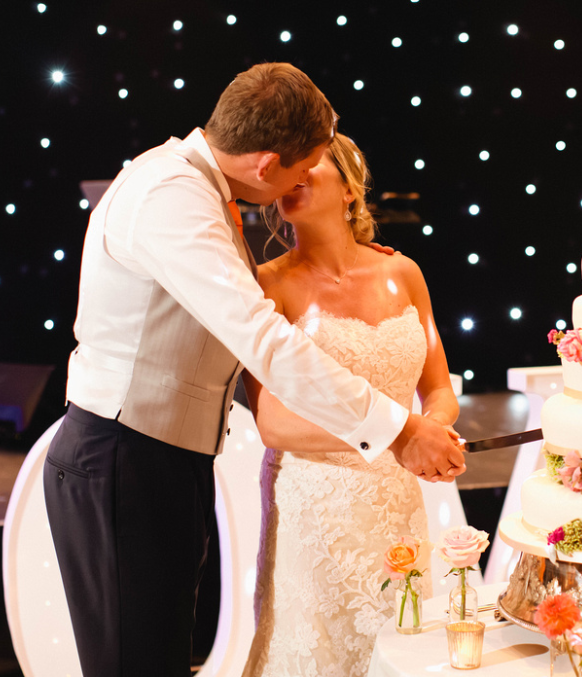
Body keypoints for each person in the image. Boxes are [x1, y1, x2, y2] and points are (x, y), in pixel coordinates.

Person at [42, 63, 465, 677]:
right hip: (123, 458)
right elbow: (264, 340)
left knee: (159, 657)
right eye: (301, 168)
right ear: (267, 166)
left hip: (164, 461)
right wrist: (398, 430)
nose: (301, 183)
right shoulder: (172, 196)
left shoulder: (202, 192)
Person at [239, 134, 459, 677]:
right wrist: (401, 436)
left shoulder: (404, 273)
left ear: (350, 189)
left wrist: (432, 432)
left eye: (309, 163)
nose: (295, 175)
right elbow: (272, 423)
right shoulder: (266, 285)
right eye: (287, 167)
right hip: (313, 506)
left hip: (396, 499)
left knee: (399, 646)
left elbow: (439, 391)